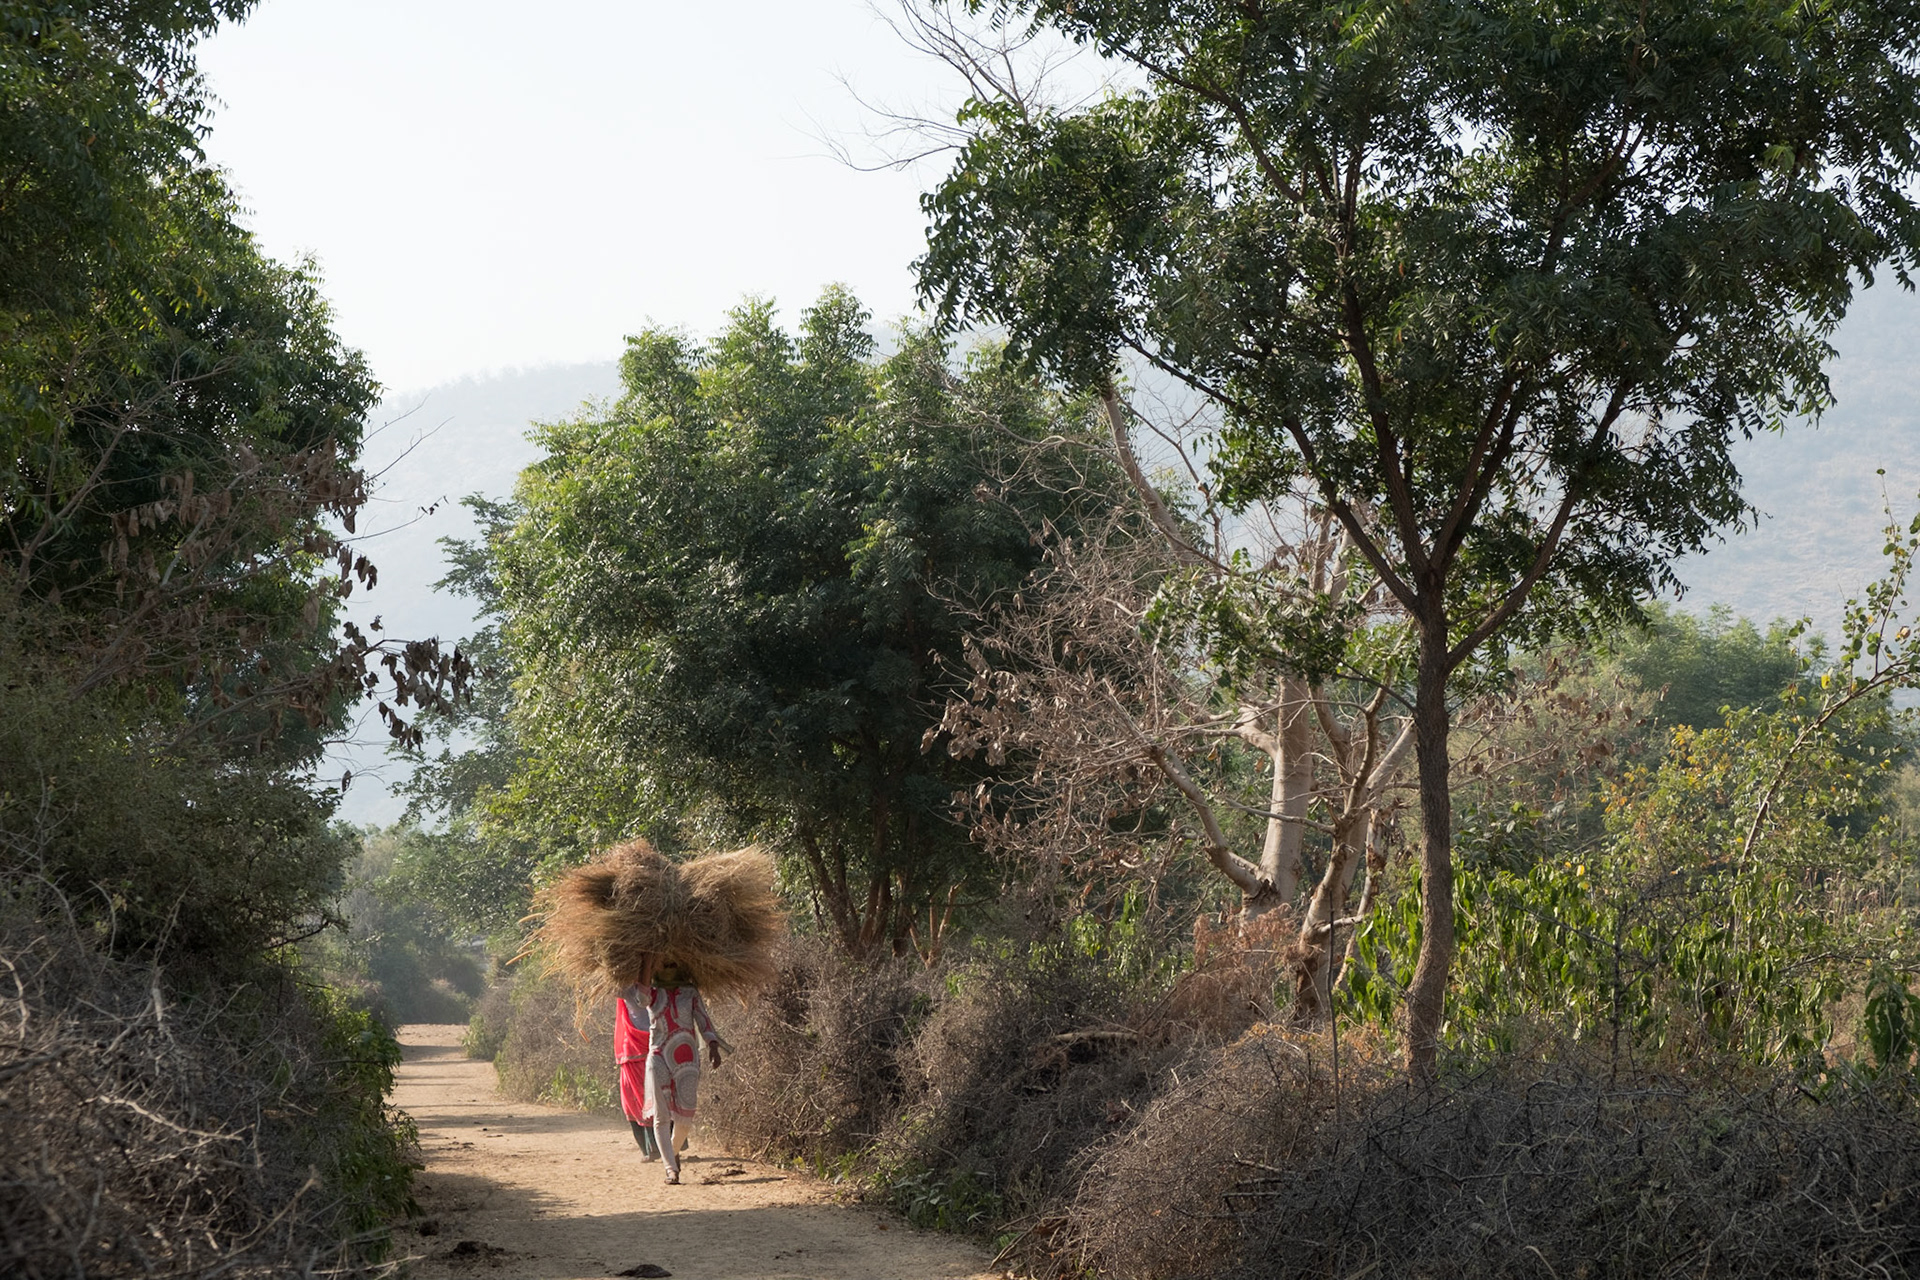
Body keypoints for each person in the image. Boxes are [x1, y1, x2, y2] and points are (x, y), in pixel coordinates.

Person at [623, 957, 729, 1185]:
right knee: (661, 1118)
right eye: (664, 963)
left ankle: (671, 1151)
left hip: (687, 1060)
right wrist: (645, 960)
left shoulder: (690, 993)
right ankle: (671, 1169)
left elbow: (704, 1021)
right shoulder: (650, 993)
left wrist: (713, 1046)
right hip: (658, 1057)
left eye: (673, 963)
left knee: (686, 1117)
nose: (669, 966)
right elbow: (640, 998)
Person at [614, 984, 659, 1159]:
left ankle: (653, 1147)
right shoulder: (656, 987)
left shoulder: (647, 988)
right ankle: (662, 1145)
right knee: (649, 1096)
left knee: (639, 1098)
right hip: (651, 1044)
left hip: (639, 1048)